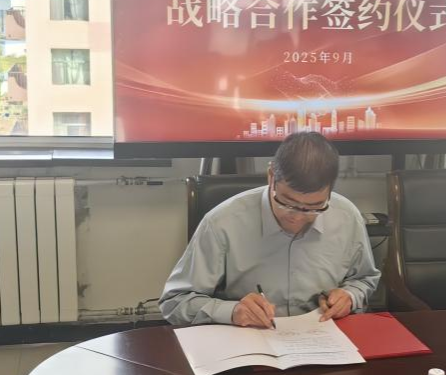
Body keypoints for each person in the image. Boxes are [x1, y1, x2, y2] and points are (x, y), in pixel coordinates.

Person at [160, 131, 380, 328]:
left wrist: (349, 296)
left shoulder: (346, 217)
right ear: (271, 176)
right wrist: (233, 311)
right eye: (287, 203)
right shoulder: (222, 222)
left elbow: (364, 279)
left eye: (314, 208)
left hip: (324, 338)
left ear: (330, 190)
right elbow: (175, 302)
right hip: (247, 341)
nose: (297, 217)